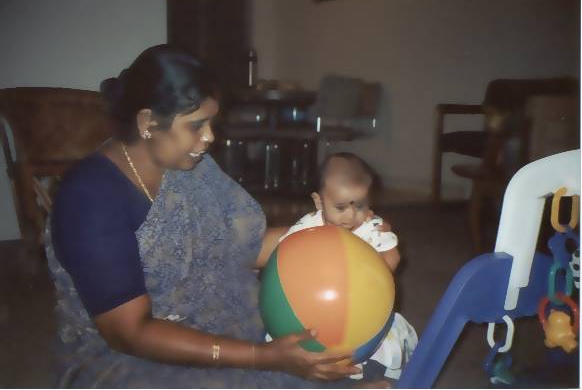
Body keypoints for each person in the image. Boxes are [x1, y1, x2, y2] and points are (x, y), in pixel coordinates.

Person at [46, 44, 387, 388]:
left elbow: (248, 246)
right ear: (148, 122)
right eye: (197, 125)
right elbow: (129, 333)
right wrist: (262, 356)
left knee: (345, 352)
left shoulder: (190, 167)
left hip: (217, 321)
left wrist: (336, 231)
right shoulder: (89, 199)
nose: (210, 137)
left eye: (211, 123)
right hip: (125, 357)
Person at [274, 152, 418, 380]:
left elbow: (393, 257)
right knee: (286, 344)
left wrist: (372, 278)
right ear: (319, 201)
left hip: (363, 313)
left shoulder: (371, 227)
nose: (351, 216)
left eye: (360, 206)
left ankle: (373, 378)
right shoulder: (307, 227)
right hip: (312, 311)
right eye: (340, 207)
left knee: (379, 349)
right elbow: (282, 256)